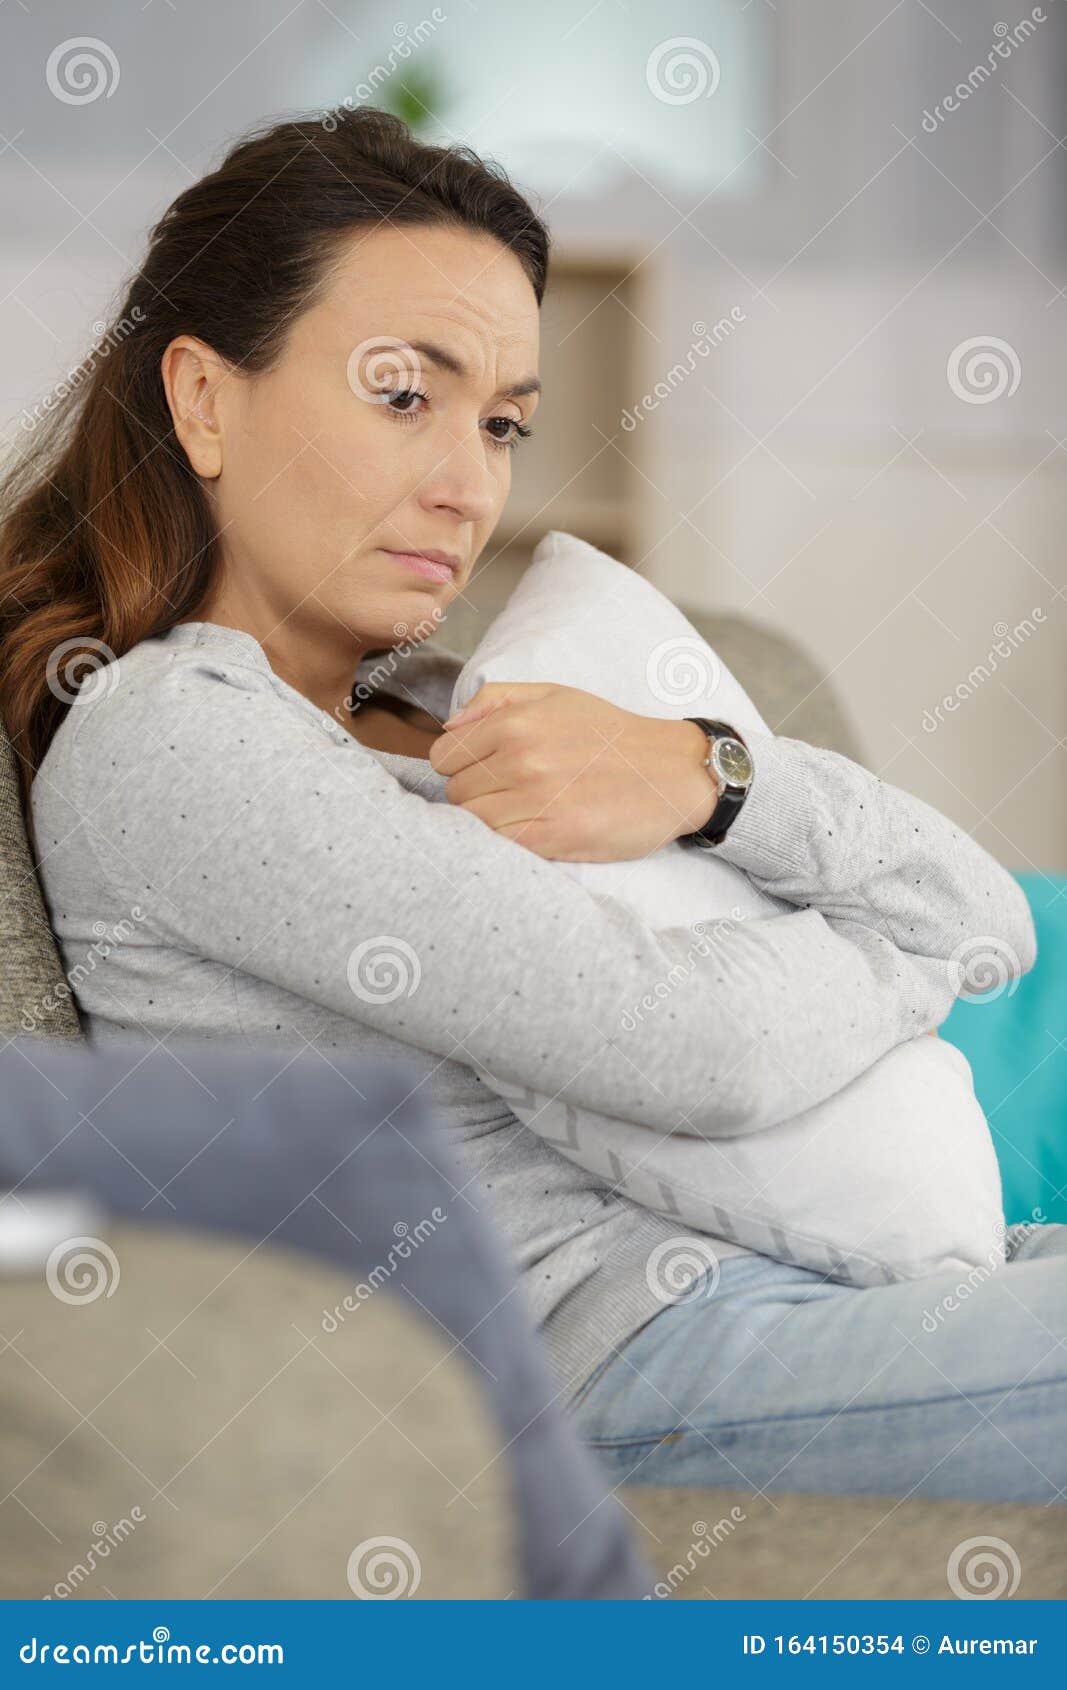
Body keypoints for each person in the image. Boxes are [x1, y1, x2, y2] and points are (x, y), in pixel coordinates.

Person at [1, 107, 1062, 1504]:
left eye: (501, 422)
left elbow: (991, 914)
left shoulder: (455, 700)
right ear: (202, 397)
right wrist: (902, 945)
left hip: (805, 1282)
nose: (468, 485)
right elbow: (701, 1050)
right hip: (615, 1368)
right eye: (402, 395)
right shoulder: (169, 743)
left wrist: (707, 776)